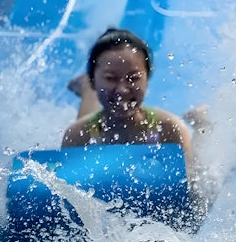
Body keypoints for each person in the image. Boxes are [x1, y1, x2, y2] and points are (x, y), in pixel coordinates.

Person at [62, 28, 195, 164]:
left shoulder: (170, 130)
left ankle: (202, 123)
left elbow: (194, 175)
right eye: (110, 78)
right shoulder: (76, 136)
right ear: (93, 80)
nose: (122, 90)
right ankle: (87, 90)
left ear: (147, 79)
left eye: (133, 78)